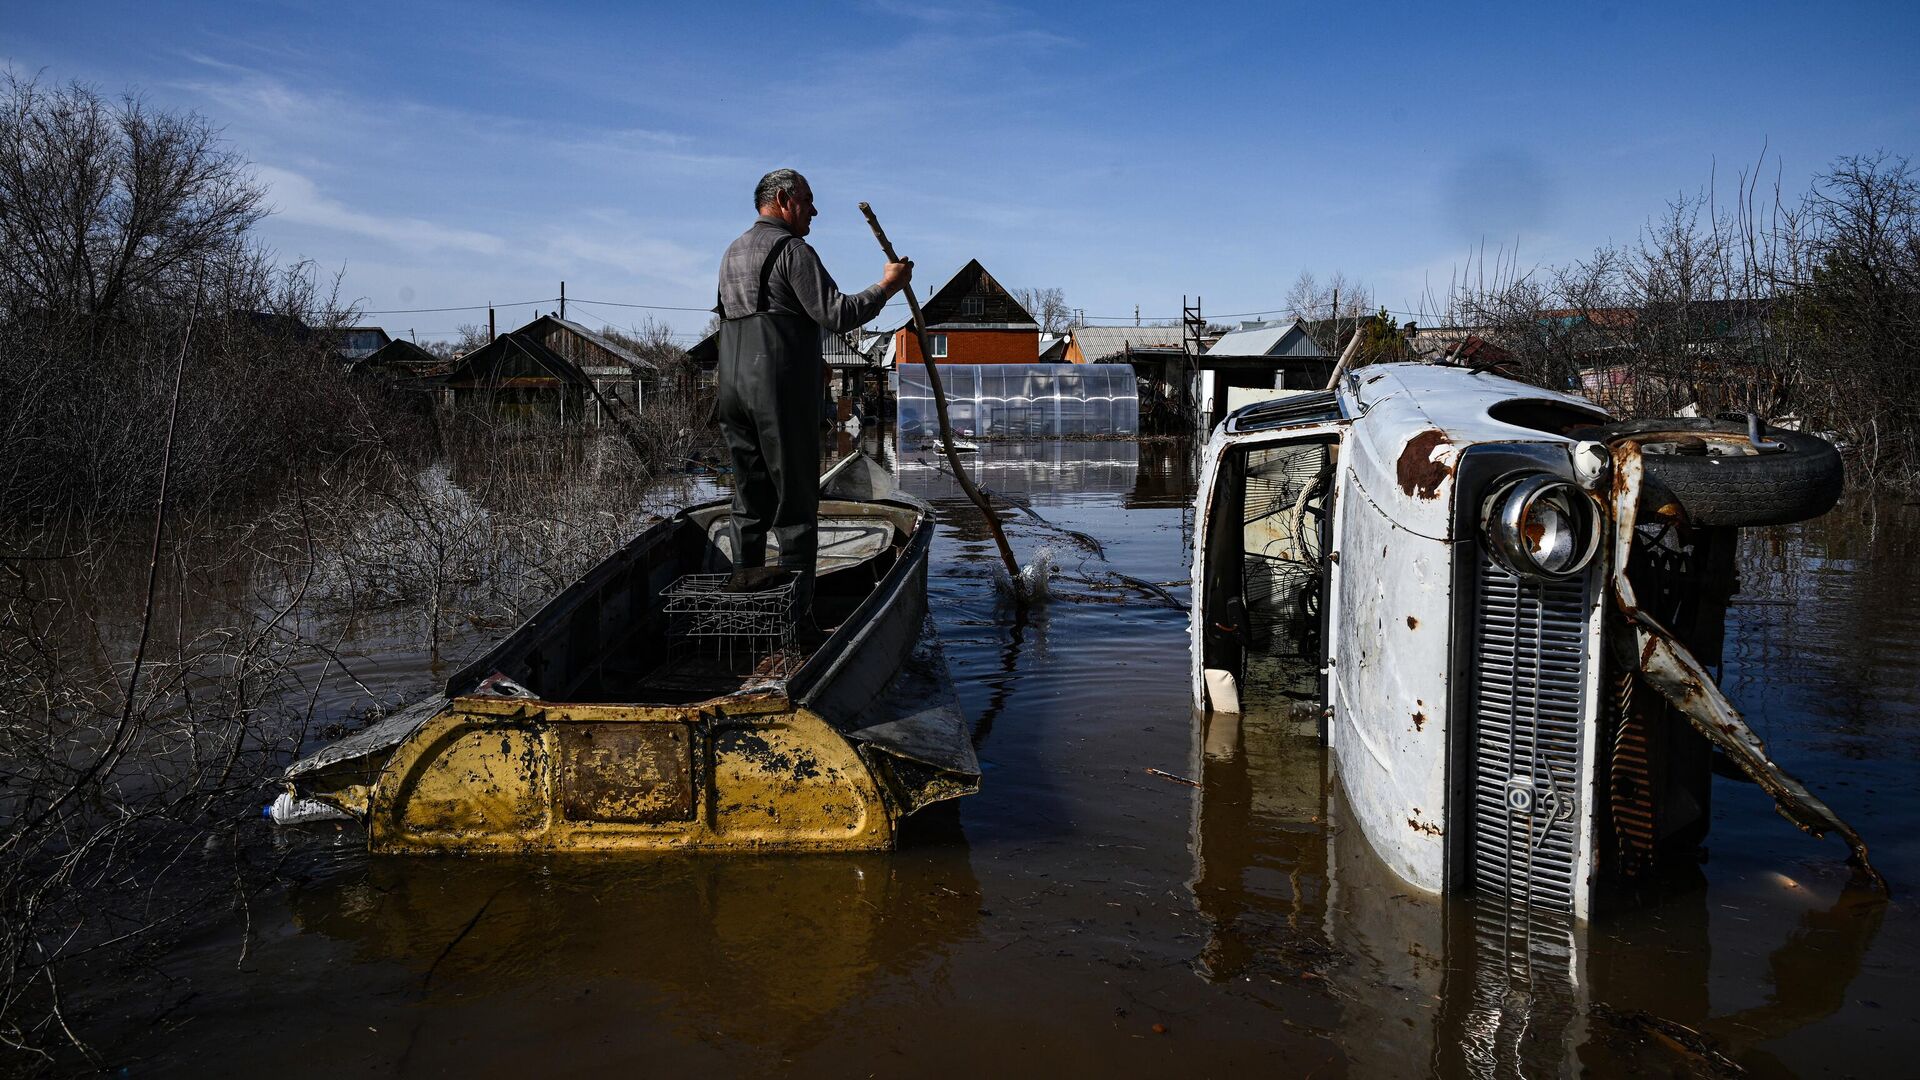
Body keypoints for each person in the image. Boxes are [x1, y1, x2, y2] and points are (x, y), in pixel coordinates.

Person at [713, 168, 911, 618]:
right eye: (808, 201)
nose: (814, 210)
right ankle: (792, 619)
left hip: (733, 386)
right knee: (796, 500)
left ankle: (746, 604)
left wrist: (806, 358)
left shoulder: (732, 252)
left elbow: (754, 319)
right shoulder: (792, 249)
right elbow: (838, 315)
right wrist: (888, 286)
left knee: (749, 492)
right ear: (783, 199)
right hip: (777, 392)